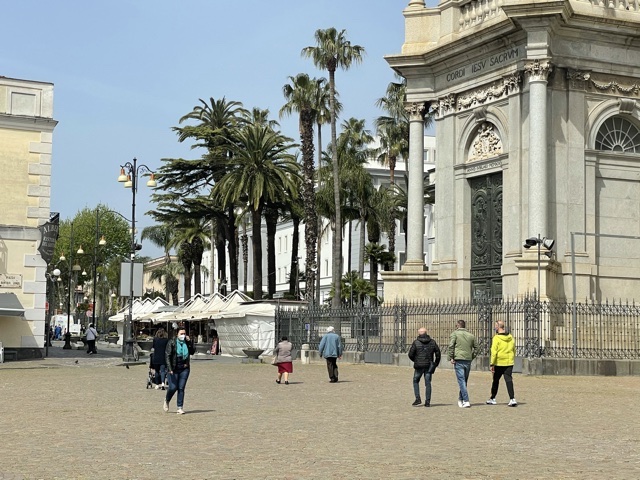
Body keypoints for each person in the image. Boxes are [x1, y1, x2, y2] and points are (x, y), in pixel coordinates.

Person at [164, 327, 196, 415]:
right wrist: (170, 368)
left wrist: (189, 342)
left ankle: (179, 407)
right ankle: (167, 400)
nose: (183, 335)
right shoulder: (172, 342)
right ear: (177, 334)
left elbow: (192, 352)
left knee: (181, 387)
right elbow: (167, 355)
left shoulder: (187, 342)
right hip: (174, 368)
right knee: (173, 387)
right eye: (181, 334)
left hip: (184, 368)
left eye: (184, 333)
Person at [408, 327, 441, 407]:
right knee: (428, 383)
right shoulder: (432, 342)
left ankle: (418, 398)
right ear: (426, 333)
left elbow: (410, 354)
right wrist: (435, 363)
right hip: (429, 365)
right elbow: (438, 354)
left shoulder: (416, 342)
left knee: (415, 381)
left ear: (419, 334)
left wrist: (416, 360)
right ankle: (427, 401)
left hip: (419, 365)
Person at [487, 321, 517, 407]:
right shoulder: (511, 337)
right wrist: (511, 358)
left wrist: (492, 363)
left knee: (496, 380)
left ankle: (493, 398)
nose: (495, 328)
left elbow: (494, 351)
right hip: (509, 362)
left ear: (498, 327)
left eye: (496, 326)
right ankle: (512, 398)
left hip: (499, 362)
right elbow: (513, 349)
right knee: (509, 380)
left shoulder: (496, 338)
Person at [448, 319, 477, 408]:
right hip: (467, 359)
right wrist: (471, 356)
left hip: (459, 359)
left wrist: (451, 357)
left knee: (461, 380)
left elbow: (451, 346)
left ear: (458, 326)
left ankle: (466, 400)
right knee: (464, 380)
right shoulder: (471, 336)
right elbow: (477, 348)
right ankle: (461, 399)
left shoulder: (455, 334)